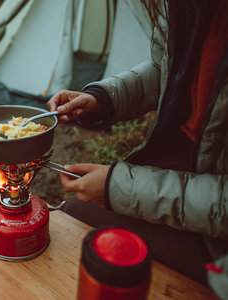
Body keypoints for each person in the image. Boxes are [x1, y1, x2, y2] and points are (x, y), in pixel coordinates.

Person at [47, 0, 228, 286]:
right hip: (185, 166)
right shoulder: (187, 8)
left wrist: (117, 187)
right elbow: (167, 70)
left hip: (217, 237)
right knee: (77, 214)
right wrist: (104, 98)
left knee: (84, 233)